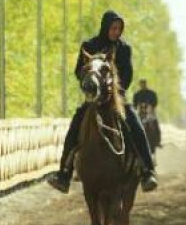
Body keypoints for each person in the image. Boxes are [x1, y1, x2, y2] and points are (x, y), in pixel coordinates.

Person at [45, 10, 159, 194]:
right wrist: (90, 82)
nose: (116, 32)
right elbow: (78, 71)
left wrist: (115, 89)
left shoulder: (124, 48)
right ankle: (64, 173)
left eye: (119, 29)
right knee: (75, 125)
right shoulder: (89, 46)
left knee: (136, 124)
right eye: (114, 28)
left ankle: (147, 171)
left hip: (117, 98)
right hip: (93, 99)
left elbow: (128, 75)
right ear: (106, 27)